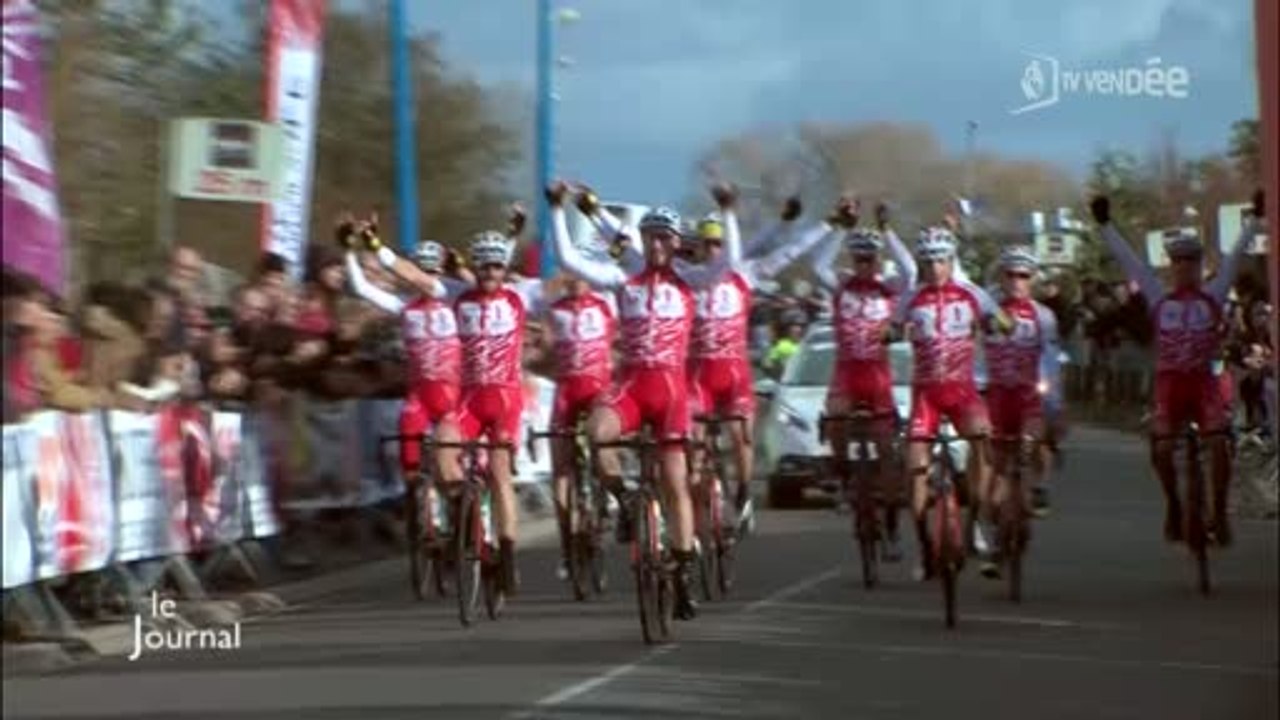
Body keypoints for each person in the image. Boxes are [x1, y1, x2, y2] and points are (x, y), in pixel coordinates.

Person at [586, 191, 834, 535]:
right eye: (706, 243)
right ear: (696, 245)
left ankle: (744, 495)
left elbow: (783, 249)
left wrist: (804, 223)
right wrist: (595, 211)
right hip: (695, 374)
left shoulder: (743, 274)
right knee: (692, 453)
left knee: (739, 436)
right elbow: (631, 245)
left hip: (734, 374)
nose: (712, 249)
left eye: (718, 244)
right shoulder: (685, 274)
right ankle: (691, 512)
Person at [546, 179, 738, 621]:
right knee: (597, 432)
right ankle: (626, 500)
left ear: (675, 244)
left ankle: (684, 571)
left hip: (671, 392)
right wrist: (557, 209)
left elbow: (728, 262)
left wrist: (726, 211)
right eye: (649, 237)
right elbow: (570, 259)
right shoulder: (623, 279)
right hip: (631, 387)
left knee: (675, 481)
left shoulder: (692, 281)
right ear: (643, 240)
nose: (656, 245)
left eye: (664, 238)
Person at [1089, 193, 1257, 546]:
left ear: (1199, 265)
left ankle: (1220, 511)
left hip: (1203, 384)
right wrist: (1105, 225)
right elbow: (1130, 263)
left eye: (1191, 262)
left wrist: (1255, 219)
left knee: (1218, 444)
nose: (1185, 268)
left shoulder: (1213, 292)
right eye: (1178, 262)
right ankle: (1174, 506)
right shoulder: (1158, 296)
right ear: (1171, 266)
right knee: (1163, 448)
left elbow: (1235, 256)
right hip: (1169, 386)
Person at [891, 226, 1011, 580]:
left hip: (962, 392)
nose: (934, 268)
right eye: (927, 262)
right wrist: (887, 332)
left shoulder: (973, 294)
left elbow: (1000, 322)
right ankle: (925, 547)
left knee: (983, 439)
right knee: (914, 466)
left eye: (941, 260)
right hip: (926, 394)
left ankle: (976, 520)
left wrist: (999, 324)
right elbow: (893, 327)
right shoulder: (910, 298)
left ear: (951, 261)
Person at [807, 199, 917, 561]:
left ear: (879, 260)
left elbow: (911, 269)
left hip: (878, 374)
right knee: (836, 420)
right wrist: (840, 227)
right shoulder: (840, 285)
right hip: (846, 373)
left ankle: (891, 525)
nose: (865, 265)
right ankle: (840, 478)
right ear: (852, 260)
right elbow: (817, 264)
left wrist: (888, 230)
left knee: (887, 454)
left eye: (870, 258)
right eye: (859, 258)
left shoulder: (890, 287)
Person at [983, 246, 1061, 548]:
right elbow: (976, 353)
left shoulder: (1044, 316)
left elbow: (1051, 362)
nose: (1016, 281)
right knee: (998, 464)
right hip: (997, 396)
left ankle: (1040, 485)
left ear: (1032, 280)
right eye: (1010, 275)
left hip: (1028, 394)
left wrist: (1056, 402)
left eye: (1023, 276)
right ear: (1001, 277)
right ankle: (994, 520)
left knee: (1038, 439)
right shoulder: (988, 311)